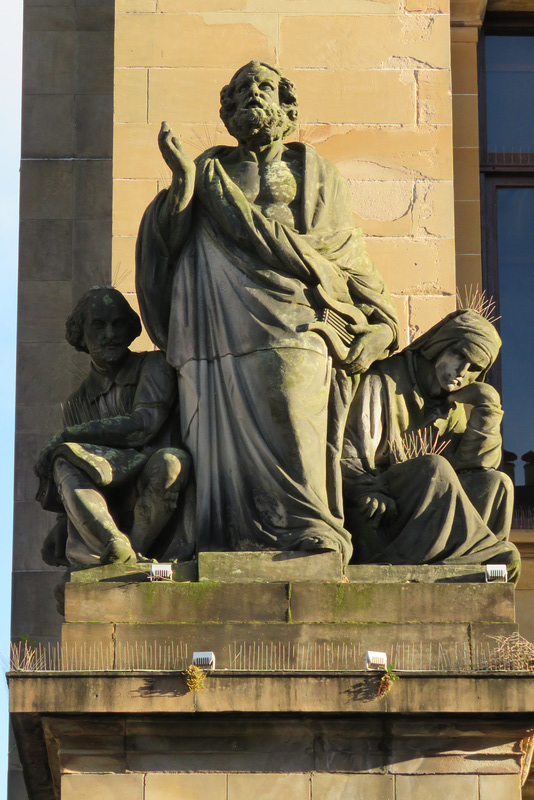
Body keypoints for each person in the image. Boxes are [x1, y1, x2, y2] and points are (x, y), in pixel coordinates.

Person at [136, 61, 399, 563]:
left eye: (265, 88)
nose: (253, 96)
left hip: (297, 313)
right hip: (214, 317)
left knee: (293, 400)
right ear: (228, 110)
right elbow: (163, 249)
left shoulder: (317, 175)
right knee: (212, 428)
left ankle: (310, 523)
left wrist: (382, 324)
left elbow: (343, 253)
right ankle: (226, 535)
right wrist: (182, 185)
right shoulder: (209, 172)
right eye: (242, 90)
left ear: (287, 108)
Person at [341, 309, 521, 581]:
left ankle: (469, 563)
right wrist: (369, 491)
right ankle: (478, 556)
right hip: (383, 506)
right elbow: (348, 451)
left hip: (428, 505)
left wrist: (487, 407)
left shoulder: (453, 405)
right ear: (439, 346)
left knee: (497, 483)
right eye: (459, 356)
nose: (462, 373)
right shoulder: (384, 380)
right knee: (434, 467)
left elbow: (474, 469)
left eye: (474, 369)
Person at [35, 287, 191, 568]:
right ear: (80, 334)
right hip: (109, 493)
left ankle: (129, 558)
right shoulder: (76, 403)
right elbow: (76, 472)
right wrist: (62, 522)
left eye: (118, 324)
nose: (110, 334)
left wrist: (70, 434)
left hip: (149, 473)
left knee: (171, 462)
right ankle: (112, 542)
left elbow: (143, 425)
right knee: (64, 457)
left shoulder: (153, 365)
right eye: (99, 325)